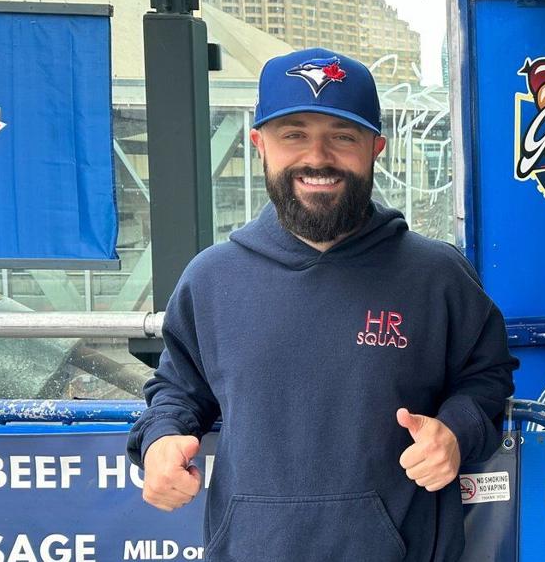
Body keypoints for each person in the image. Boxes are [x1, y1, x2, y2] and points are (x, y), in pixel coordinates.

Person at [126, 47, 518, 562]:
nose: (318, 157)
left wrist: (456, 432)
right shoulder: (211, 279)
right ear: (260, 145)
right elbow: (177, 389)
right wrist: (160, 441)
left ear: (376, 148)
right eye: (294, 134)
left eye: (342, 136)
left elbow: (487, 379)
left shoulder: (437, 275)